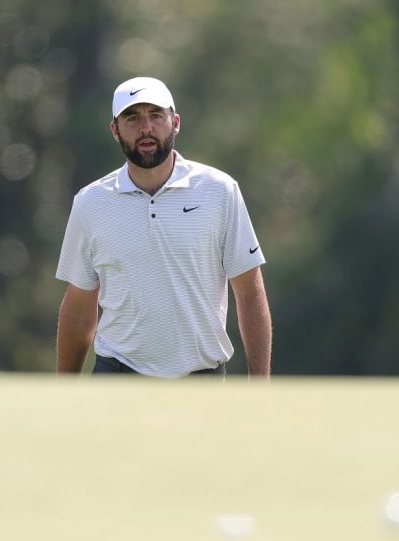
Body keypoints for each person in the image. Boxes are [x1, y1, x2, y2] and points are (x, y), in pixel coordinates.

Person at [55, 77, 271, 379]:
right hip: (116, 376)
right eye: (132, 118)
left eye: (156, 115)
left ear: (175, 122)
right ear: (115, 130)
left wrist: (259, 387)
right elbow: (78, 306)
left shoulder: (219, 191)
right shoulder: (91, 202)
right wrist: (62, 395)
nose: (146, 128)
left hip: (201, 379)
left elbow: (250, 292)